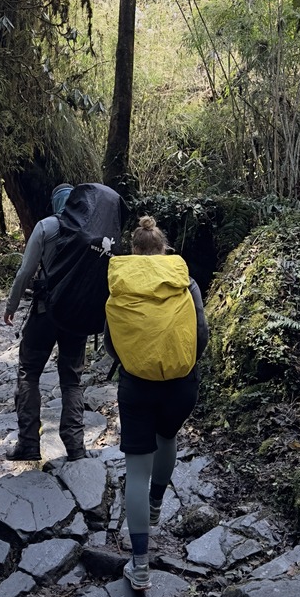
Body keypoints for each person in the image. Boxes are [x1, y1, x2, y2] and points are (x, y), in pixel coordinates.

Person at [104, 215, 207, 560]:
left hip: (136, 386)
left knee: (136, 472)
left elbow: (111, 340)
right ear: (164, 249)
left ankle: (140, 566)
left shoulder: (121, 283)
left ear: (134, 250)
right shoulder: (185, 282)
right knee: (167, 437)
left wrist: (135, 362)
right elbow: (202, 334)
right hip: (182, 385)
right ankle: (156, 503)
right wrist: (183, 364)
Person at [5, 181, 120, 460]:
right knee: (72, 381)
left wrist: (12, 305)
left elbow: (25, 272)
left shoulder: (46, 227)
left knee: (29, 372)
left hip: (45, 313)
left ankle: (28, 444)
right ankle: (75, 446)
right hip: (77, 316)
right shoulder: (93, 233)